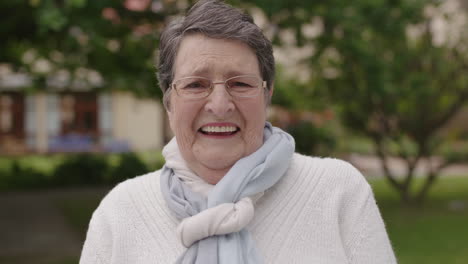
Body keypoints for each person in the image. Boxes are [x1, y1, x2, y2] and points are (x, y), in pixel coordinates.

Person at [80, 0, 397, 263]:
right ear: (168, 101)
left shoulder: (337, 192)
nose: (219, 104)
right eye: (195, 85)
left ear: (267, 94)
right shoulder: (121, 212)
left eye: (240, 84)